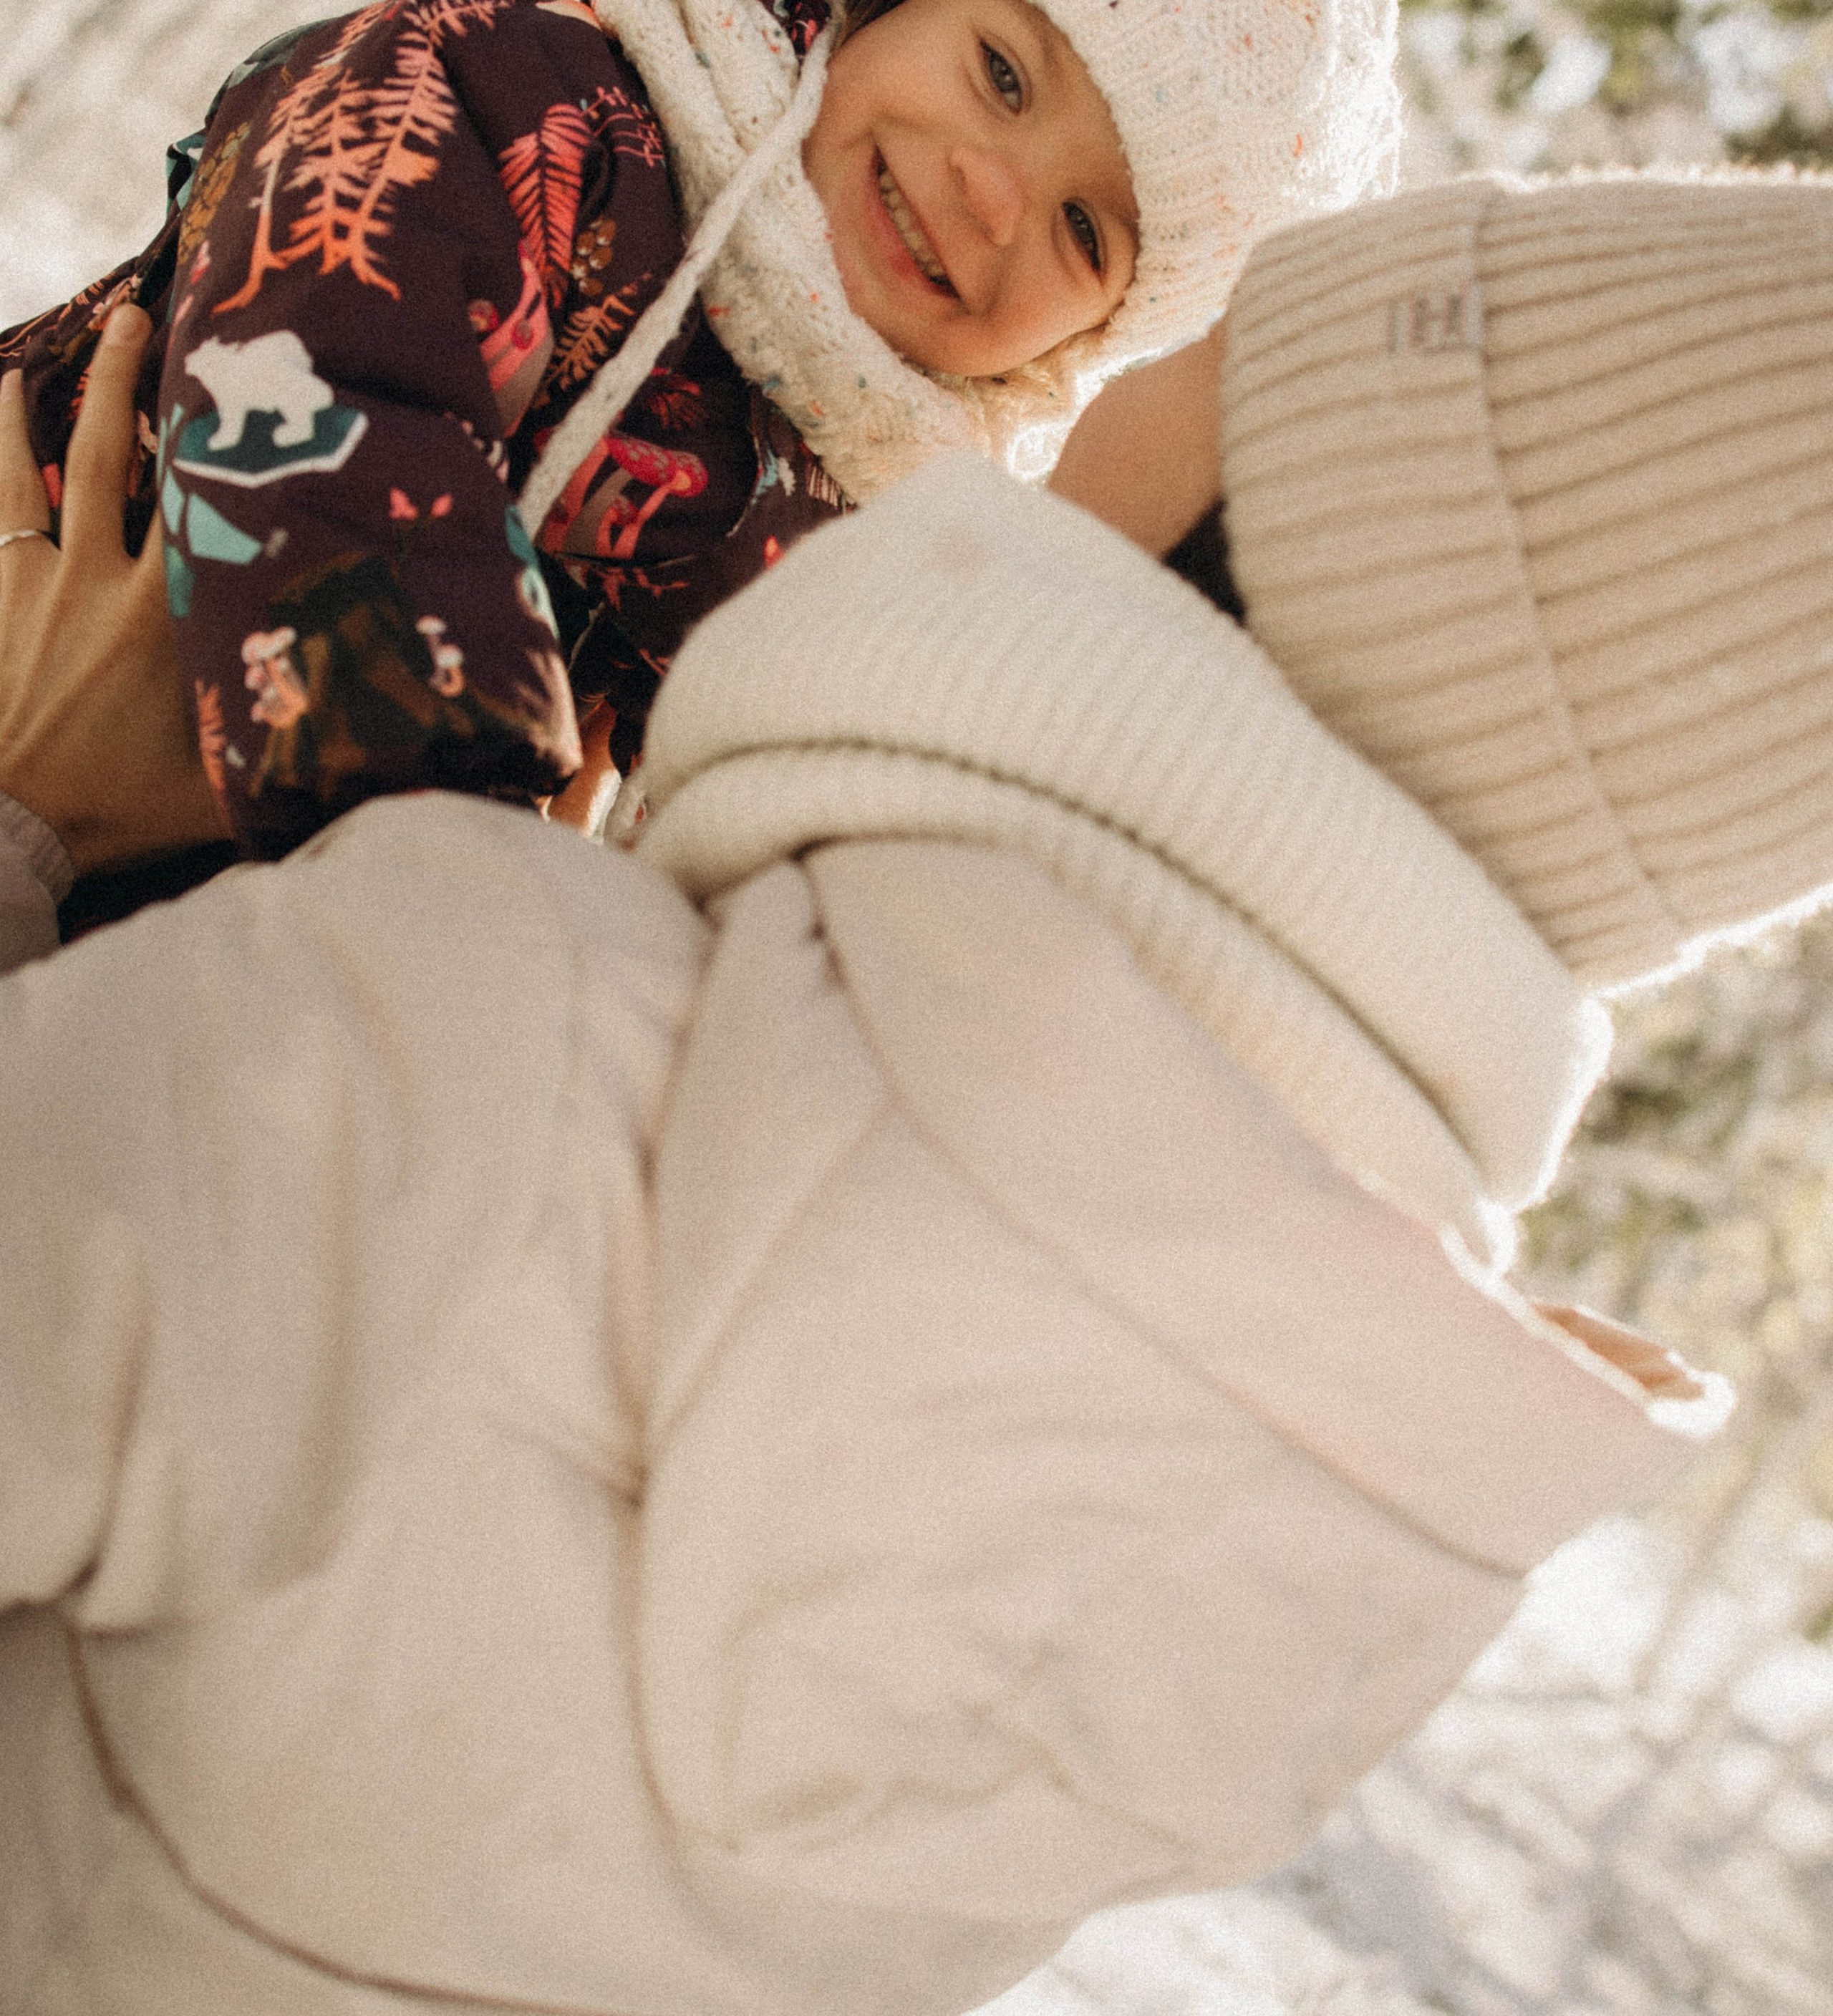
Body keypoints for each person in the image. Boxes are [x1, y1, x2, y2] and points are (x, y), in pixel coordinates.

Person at [4, 160, 1827, 2016]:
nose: (1110, 376)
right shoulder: (1259, 1560)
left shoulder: (488, 1021)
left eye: (1224, 338)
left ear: (1267, 524)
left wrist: (39, 831)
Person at [0, 0, 1400, 878]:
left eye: (1089, 233)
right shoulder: (526, 103)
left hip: (188, 931)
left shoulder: (869, 530)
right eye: (1001, 75)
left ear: (1099, 334)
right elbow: (326, 382)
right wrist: (447, 852)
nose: (993, 191)